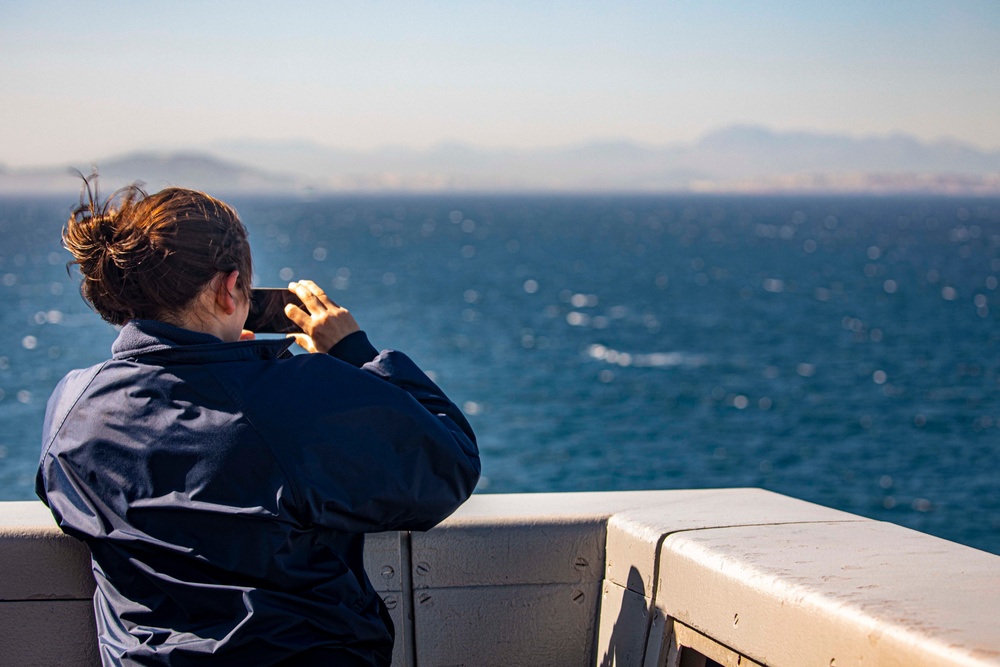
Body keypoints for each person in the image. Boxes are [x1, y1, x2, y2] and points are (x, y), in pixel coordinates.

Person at [35, 180, 480, 666]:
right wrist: (355, 353)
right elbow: (449, 463)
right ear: (230, 290)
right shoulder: (293, 396)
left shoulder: (72, 406)